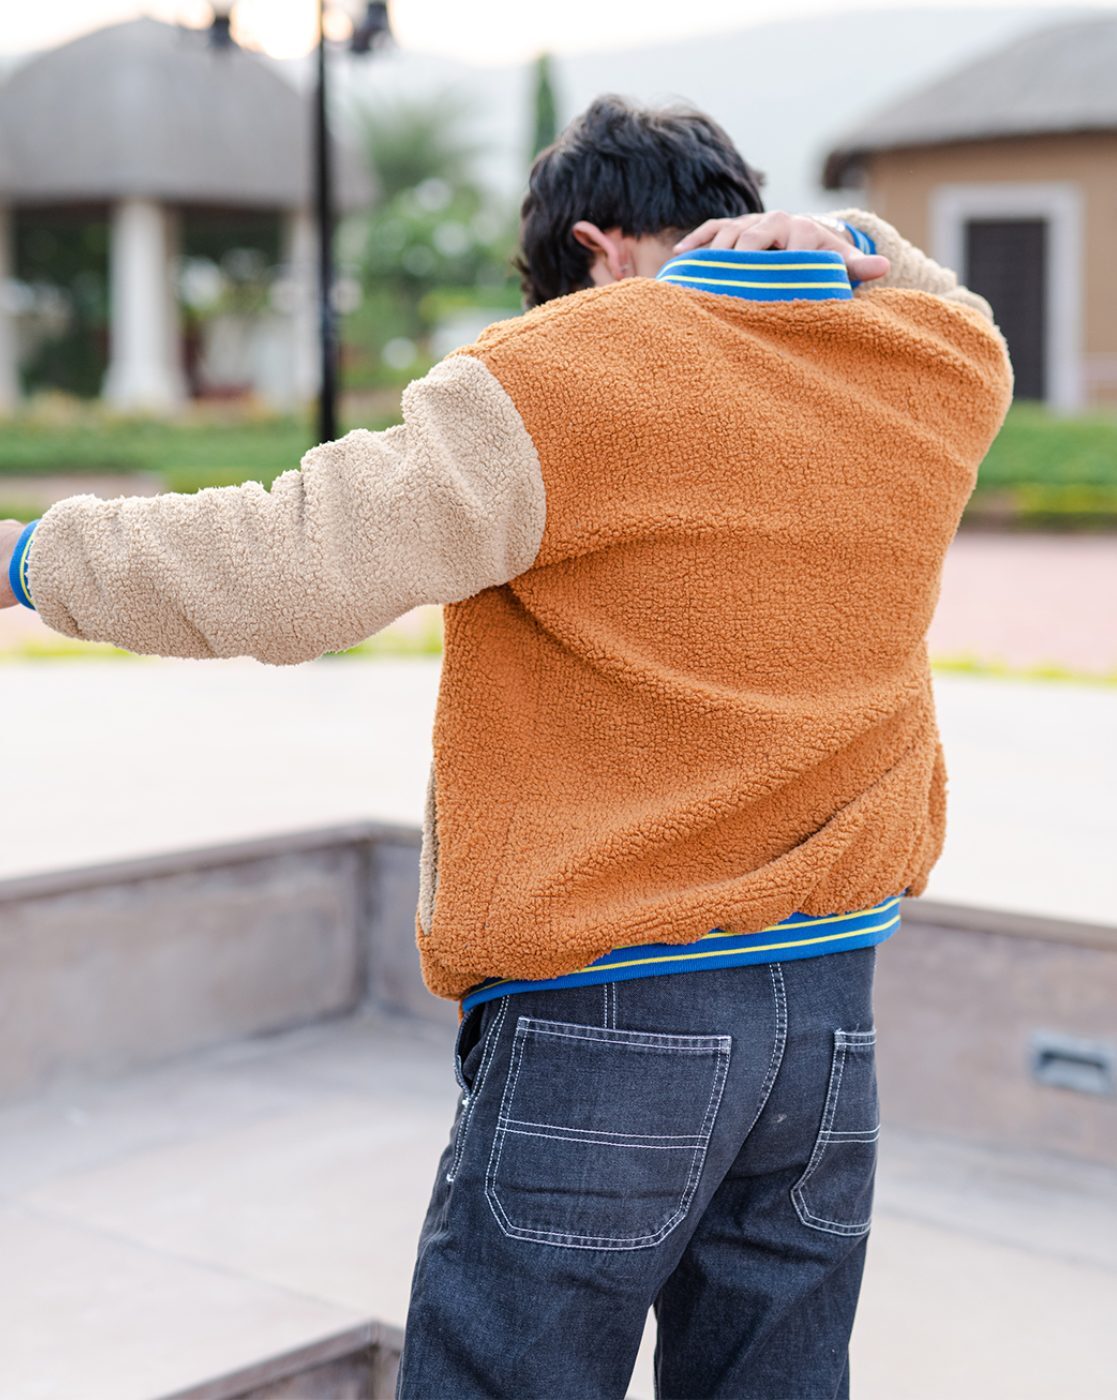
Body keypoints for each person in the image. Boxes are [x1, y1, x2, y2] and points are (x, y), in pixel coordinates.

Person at [0, 95, 1012, 1400]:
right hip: (827, 1018)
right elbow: (949, 303)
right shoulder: (928, 364)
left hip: (609, 1004)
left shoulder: (581, 369)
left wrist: (33, 557)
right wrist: (845, 241)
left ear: (594, 252)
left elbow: (288, 567)